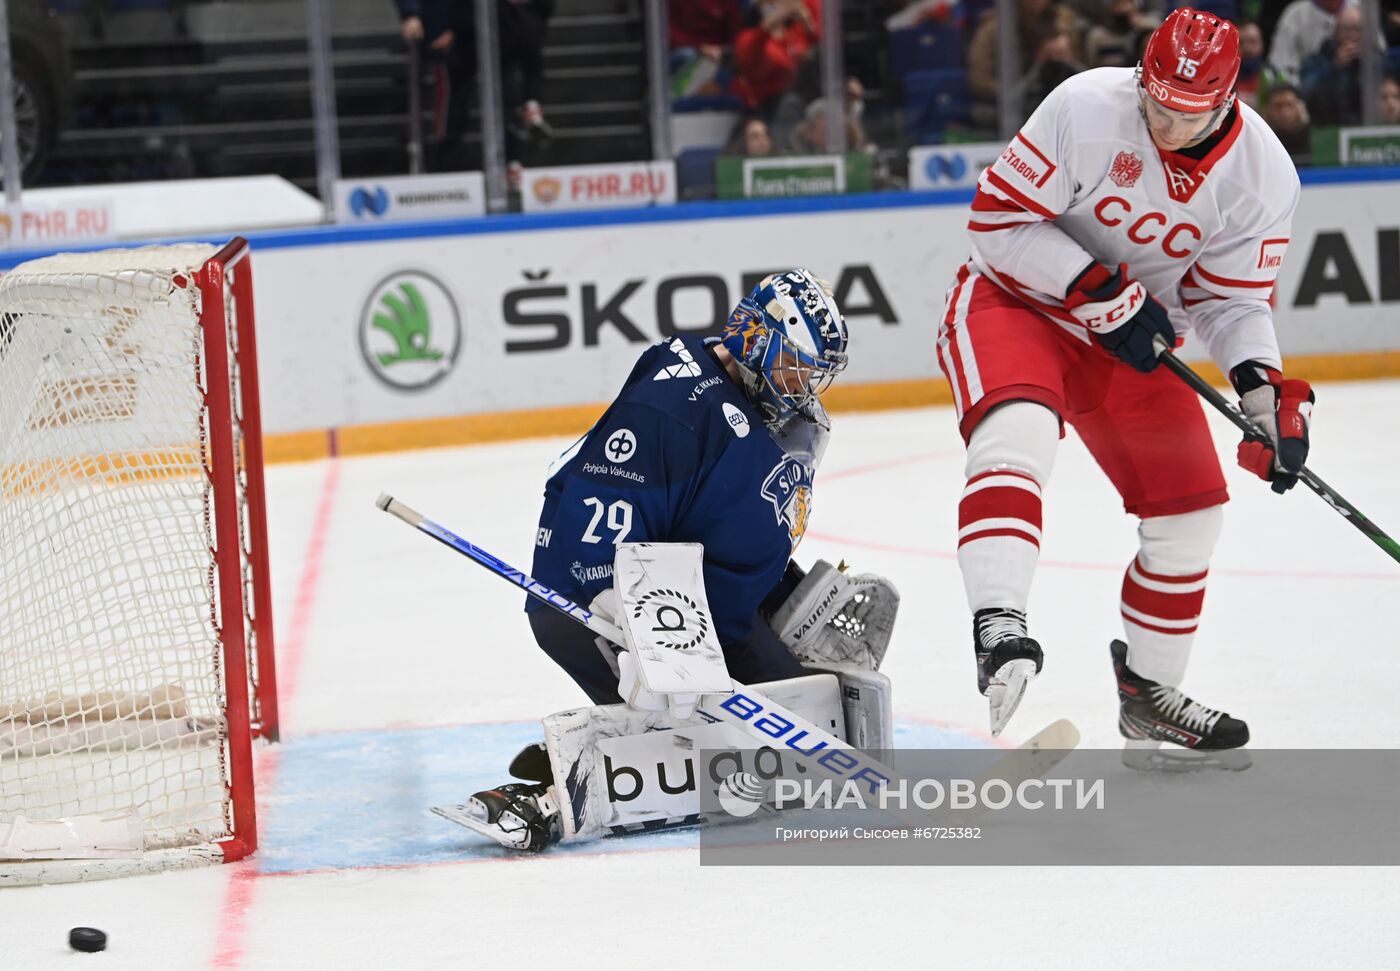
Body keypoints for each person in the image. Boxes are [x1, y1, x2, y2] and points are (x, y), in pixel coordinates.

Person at [937, 9, 1308, 767]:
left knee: (1192, 515)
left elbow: (1232, 299)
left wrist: (1263, 390)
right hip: (1018, 301)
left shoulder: (1265, 176)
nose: (1165, 122)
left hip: (1129, 334)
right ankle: (1001, 625)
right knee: (1021, 431)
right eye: (1156, 102)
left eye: (1186, 111)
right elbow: (997, 222)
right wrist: (1090, 284)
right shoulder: (1084, 106)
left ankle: (1150, 698)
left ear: (1229, 98)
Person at [459, 270, 865, 850]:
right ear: (758, 338)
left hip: (699, 602)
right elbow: (600, 503)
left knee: (803, 719)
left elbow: (722, 523)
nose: (803, 388)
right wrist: (636, 618)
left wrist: (791, 593)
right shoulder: (672, 405)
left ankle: (607, 753)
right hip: (614, 602)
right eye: (796, 367)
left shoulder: (747, 403)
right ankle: (554, 792)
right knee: (741, 751)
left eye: (812, 375)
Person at [1299, 4, 1371, 126]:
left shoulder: (1376, 61)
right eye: (1347, 29)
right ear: (1336, 33)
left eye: (1358, 30)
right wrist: (1334, 67)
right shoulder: (1316, 61)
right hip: (1327, 127)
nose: (1352, 36)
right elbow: (1307, 94)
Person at [1263, 83, 1313, 161]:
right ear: (1268, 110)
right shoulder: (1261, 140)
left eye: (1289, 105)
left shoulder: (1315, 137)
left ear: (1300, 106)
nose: (1284, 113)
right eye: (1278, 106)